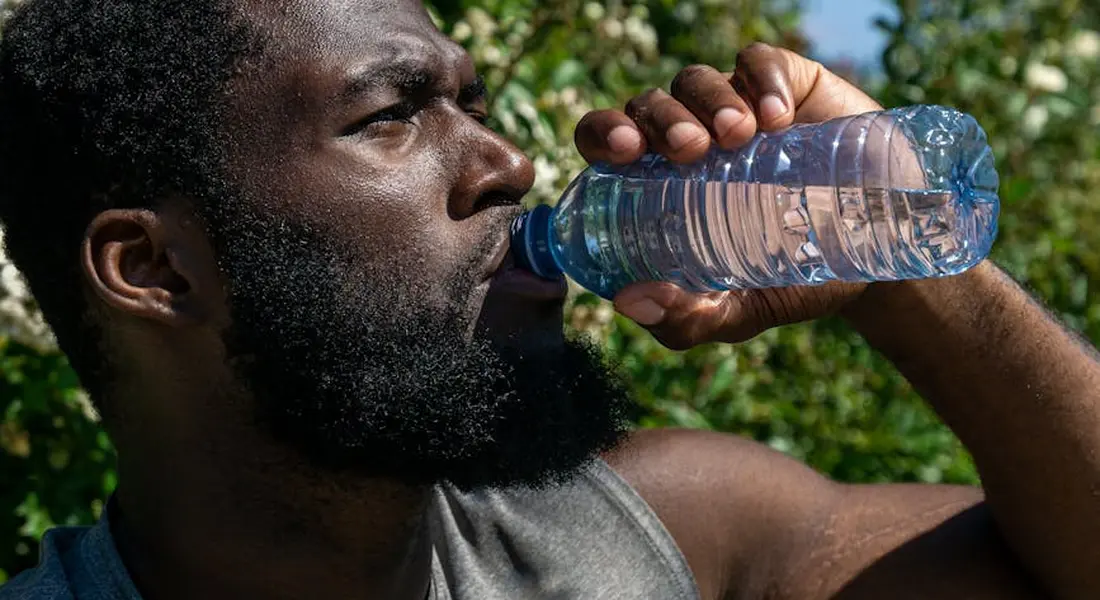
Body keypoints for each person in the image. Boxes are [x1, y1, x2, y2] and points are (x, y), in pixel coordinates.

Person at [0, 0, 1096, 598]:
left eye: (475, 101)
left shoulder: (663, 536)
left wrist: (900, 267)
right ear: (153, 270)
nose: (509, 163)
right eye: (391, 115)